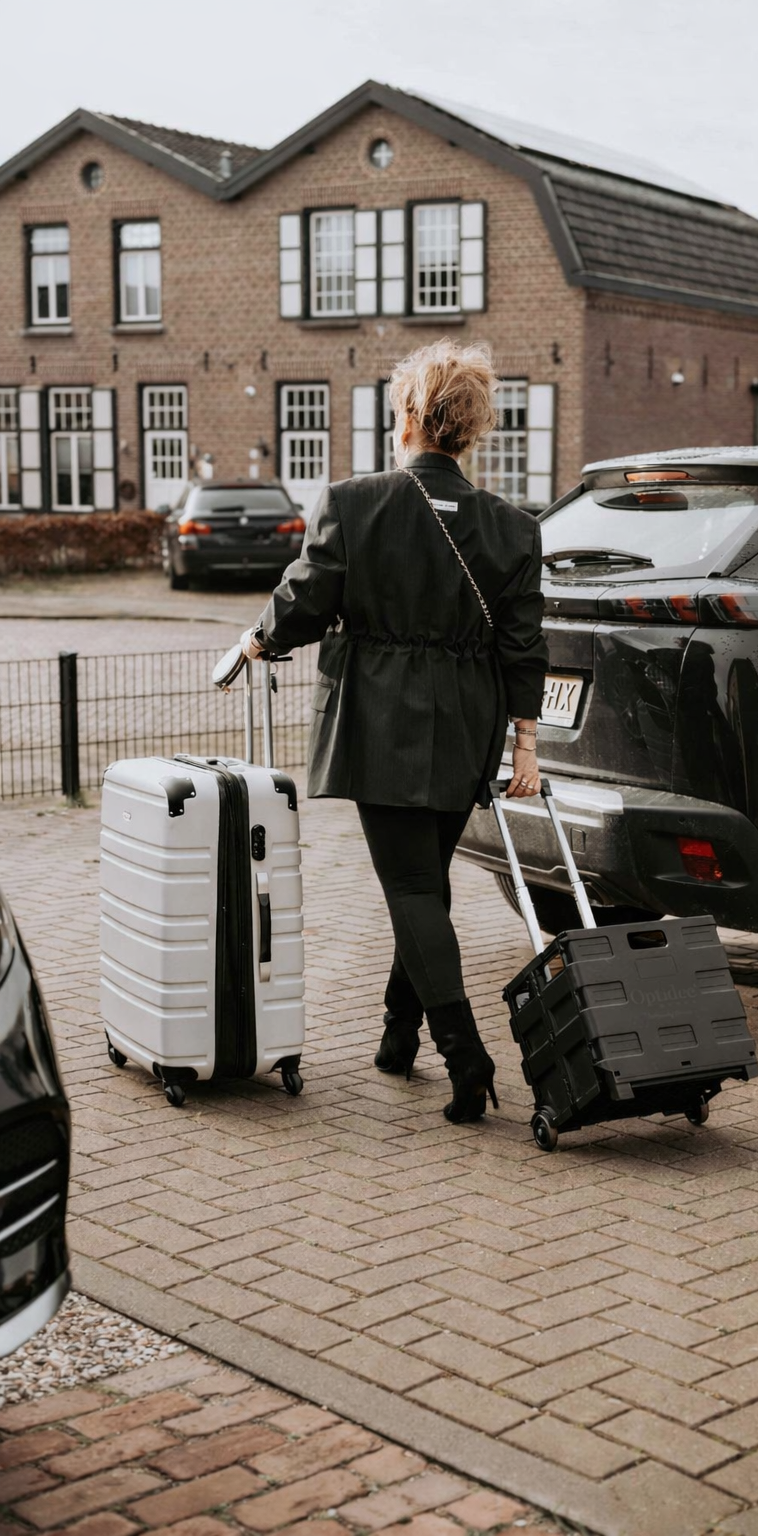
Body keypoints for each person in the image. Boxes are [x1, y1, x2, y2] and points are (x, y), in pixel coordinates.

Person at [240, 339, 548, 1125]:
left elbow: (305, 600)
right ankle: (396, 1034)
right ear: (470, 429)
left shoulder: (354, 502)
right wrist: (525, 744)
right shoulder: (514, 528)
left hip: (382, 719)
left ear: (410, 415)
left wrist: (259, 639)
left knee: (412, 888)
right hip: (470, 724)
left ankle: (466, 1057)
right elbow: (523, 645)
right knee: (428, 883)